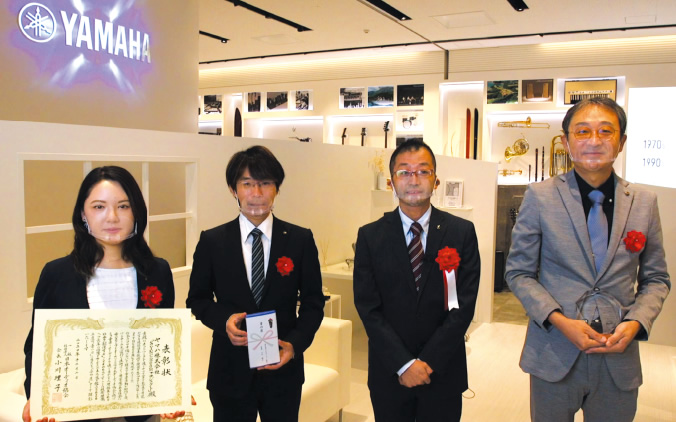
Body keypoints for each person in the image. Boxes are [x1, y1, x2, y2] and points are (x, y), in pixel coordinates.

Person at [505, 97, 670, 422]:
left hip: (618, 355)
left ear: (621, 142)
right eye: (582, 131)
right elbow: (519, 273)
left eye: (606, 131)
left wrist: (636, 322)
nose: (594, 140)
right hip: (554, 351)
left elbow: (656, 279)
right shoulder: (540, 196)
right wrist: (559, 320)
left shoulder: (644, 202)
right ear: (566, 142)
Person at [22, 166, 181, 422]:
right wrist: (36, 395)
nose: (112, 217)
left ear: (136, 212)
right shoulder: (56, 273)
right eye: (99, 207)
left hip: (141, 412)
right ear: (83, 213)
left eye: (123, 206)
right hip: (75, 413)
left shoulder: (157, 271)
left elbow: (162, 341)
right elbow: (37, 344)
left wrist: (171, 389)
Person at [186, 145, 324, 422]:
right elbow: (197, 300)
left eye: (265, 183)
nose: (256, 193)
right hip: (229, 372)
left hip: (282, 371)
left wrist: (294, 345)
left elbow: (313, 303)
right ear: (233, 189)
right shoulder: (212, 241)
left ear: (277, 189)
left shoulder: (299, 240)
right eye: (247, 184)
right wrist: (224, 320)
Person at [353, 139, 481, 422]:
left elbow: (463, 306)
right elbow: (368, 308)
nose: (413, 180)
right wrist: (404, 364)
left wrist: (428, 361)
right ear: (391, 182)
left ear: (436, 180)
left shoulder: (461, 232)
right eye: (404, 172)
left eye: (423, 171)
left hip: (443, 371)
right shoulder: (370, 236)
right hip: (390, 372)